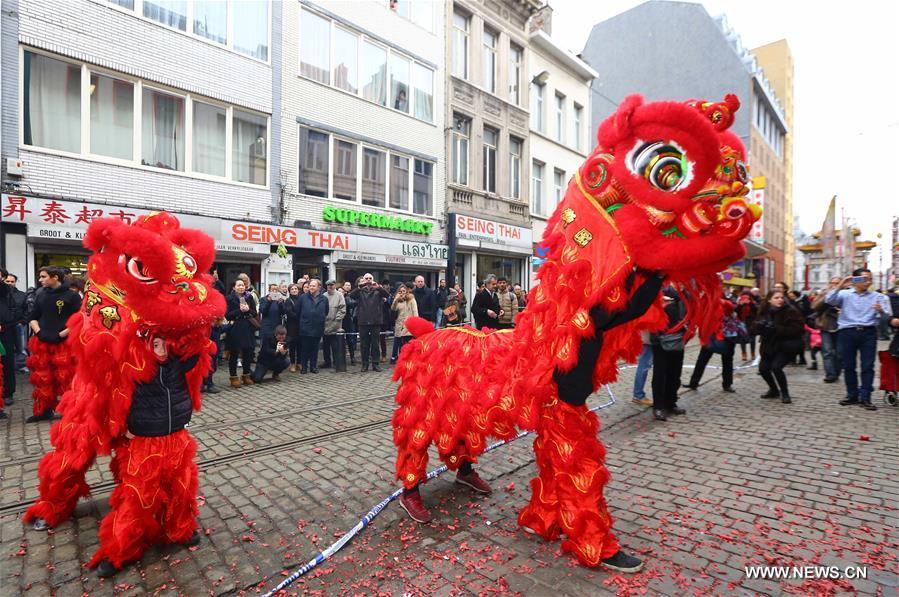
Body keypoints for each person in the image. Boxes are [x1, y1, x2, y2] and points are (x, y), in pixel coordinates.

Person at [92, 336, 204, 577]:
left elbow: (197, 347)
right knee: (138, 496)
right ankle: (122, 549)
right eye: (155, 344)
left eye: (165, 343)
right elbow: (113, 395)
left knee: (181, 489)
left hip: (176, 437)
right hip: (145, 442)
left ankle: (180, 529)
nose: (162, 349)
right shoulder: (133, 364)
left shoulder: (177, 360)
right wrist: (122, 428)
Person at [826, 268, 893, 410]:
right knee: (849, 366)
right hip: (847, 332)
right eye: (864, 278)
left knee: (867, 366)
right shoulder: (845, 294)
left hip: (868, 333)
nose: (868, 281)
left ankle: (866, 397)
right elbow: (829, 300)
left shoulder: (878, 296)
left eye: (870, 278)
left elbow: (887, 317)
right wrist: (841, 284)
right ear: (855, 280)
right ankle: (852, 395)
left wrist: (880, 311)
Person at [26, 266, 81, 422]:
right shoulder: (41, 294)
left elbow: (80, 318)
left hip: (64, 342)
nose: (40, 280)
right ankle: (44, 410)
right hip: (43, 342)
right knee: (43, 377)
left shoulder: (72, 296)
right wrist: (40, 333)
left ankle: (70, 410)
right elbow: (33, 316)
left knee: (66, 378)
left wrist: (62, 334)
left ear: (55, 277)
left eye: (43, 276)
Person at [752, 290, 804, 404]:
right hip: (769, 345)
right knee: (763, 369)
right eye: (776, 298)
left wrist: (778, 328)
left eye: (781, 297)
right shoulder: (764, 311)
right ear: (769, 300)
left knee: (776, 367)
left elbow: (798, 329)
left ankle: (785, 393)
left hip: (785, 345)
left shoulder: (791, 311)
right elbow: (754, 328)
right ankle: (774, 390)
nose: (780, 300)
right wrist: (759, 326)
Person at [649, 284, 687, 421]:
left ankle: (671, 403)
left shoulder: (683, 296)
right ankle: (658, 406)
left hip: (677, 341)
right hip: (660, 342)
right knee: (660, 375)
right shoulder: (662, 291)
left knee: (675, 374)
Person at [684, 300, 738, 393]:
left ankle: (727, 384)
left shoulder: (725, 304)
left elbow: (731, 309)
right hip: (710, 336)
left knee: (727, 362)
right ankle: (693, 383)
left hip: (725, 336)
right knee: (701, 360)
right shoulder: (707, 304)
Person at [348, 273, 390, 372]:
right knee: (364, 344)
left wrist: (379, 287)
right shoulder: (360, 290)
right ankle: (365, 364)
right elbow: (352, 296)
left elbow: (387, 295)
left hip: (375, 321)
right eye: (366, 278)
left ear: (373, 279)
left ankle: (375, 364)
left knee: (375, 344)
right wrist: (359, 287)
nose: (368, 280)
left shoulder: (378, 290)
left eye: (370, 278)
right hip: (363, 320)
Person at [225, 279, 258, 387]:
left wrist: (248, 310)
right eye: (238, 285)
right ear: (234, 287)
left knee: (248, 352)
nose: (241, 287)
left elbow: (254, 313)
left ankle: (246, 375)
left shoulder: (249, 297)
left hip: (248, 327)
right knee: (234, 353)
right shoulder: (229, 298)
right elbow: (227, 315)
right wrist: (240, 310)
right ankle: (233, 377)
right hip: (235, 328)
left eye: (243, 285)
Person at [812, 278, 842, 382]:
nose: (834, 285)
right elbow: (814, 306)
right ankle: (830, 374)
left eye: (837, 283)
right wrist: (826, 297)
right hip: (826, 325)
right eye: (832, 283)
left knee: (839, 353)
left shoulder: (845, 294)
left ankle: (837, 372)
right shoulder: (824, 293)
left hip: (841, 326)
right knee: (827, 351)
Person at [0, 268, 20, 418]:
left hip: (6, 331)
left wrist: (6, 324)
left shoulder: (8, 292)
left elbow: (15, 311)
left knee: (7, 362)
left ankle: (8, 393)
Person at [297, 279, 328, 374]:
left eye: (314, 286)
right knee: (305, 348)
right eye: (310, 285)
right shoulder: (302, 298)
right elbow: (298, 311)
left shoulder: (324, 299)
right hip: (305, 327)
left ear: (319, 287)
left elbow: (326, 311)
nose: (311, 287)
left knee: (315, 349)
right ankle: (304, 367)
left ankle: (313, 367)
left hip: (318, 327)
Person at [4, 273, 28, 372]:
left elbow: (27, 310)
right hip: (5, 326)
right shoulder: (2, 295)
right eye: (7, 281)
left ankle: (21, 366)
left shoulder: (22, 295)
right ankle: (9, 366)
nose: (10, 283)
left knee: (21, 347)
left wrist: (22, 322)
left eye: (12, 281)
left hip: (18, 325)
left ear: (15, 282)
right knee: (7, 347)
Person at [321, 280, 347, 369]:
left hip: (336, 325)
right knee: (325, 346)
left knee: (336, 346)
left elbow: (342, 309)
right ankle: (327, 362)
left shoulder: (340, 295)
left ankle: (337, 362)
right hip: (325, 325)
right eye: (328, 285)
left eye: (331, 285)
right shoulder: (323, 296)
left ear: (334, 285)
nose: (330, 286)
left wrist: (337, 319)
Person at [390, 284, 419, 364]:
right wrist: (396, 299)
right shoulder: (398, 300)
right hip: (399, 323)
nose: (402, 293)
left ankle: (408, 358)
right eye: (400, 291)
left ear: (406, 291)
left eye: (403, 291)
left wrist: (415, 323)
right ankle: (397, 358)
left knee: (407, 342)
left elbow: (415, 312)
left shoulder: (411, 299)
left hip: (409, 324)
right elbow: (393, 309)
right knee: (398, 341)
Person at [735, 290, 759, 361]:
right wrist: (740, 305)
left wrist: (751, 303)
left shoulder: (753, 303)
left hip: (751, 322)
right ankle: (744, 353)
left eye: (747, 296)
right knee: (742, 339)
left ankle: (753, 353)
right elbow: (736, 311)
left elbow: (757, 310)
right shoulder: (739, 303)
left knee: (752, 339)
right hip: (742, 322)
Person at [631, 332, 653, 407]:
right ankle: (638, 395)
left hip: (647, 338)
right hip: (648, 338)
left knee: (644, 366)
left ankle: (638, 394)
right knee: (644, 366)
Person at [284, 284, 302, 372]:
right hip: (291, 326)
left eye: (296, 289)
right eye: (292, 289)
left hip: (301, 326)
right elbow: (289, 312)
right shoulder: (288, 300)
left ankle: (299, 363)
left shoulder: (301, 299)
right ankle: (292, 364)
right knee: (292, 346)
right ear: (289, 291)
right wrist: (300, 317)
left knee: (300, 345)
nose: (294, 290)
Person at [341, 281, 358, 365]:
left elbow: (353, 304)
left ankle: (352, 357)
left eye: (349, 285)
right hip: (340, 320)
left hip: (348, 319)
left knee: (349, 339)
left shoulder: (350, 296)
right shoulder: (340, 295)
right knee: (339, 339)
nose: (347, 286)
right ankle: (340, 357)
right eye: (346, 285)